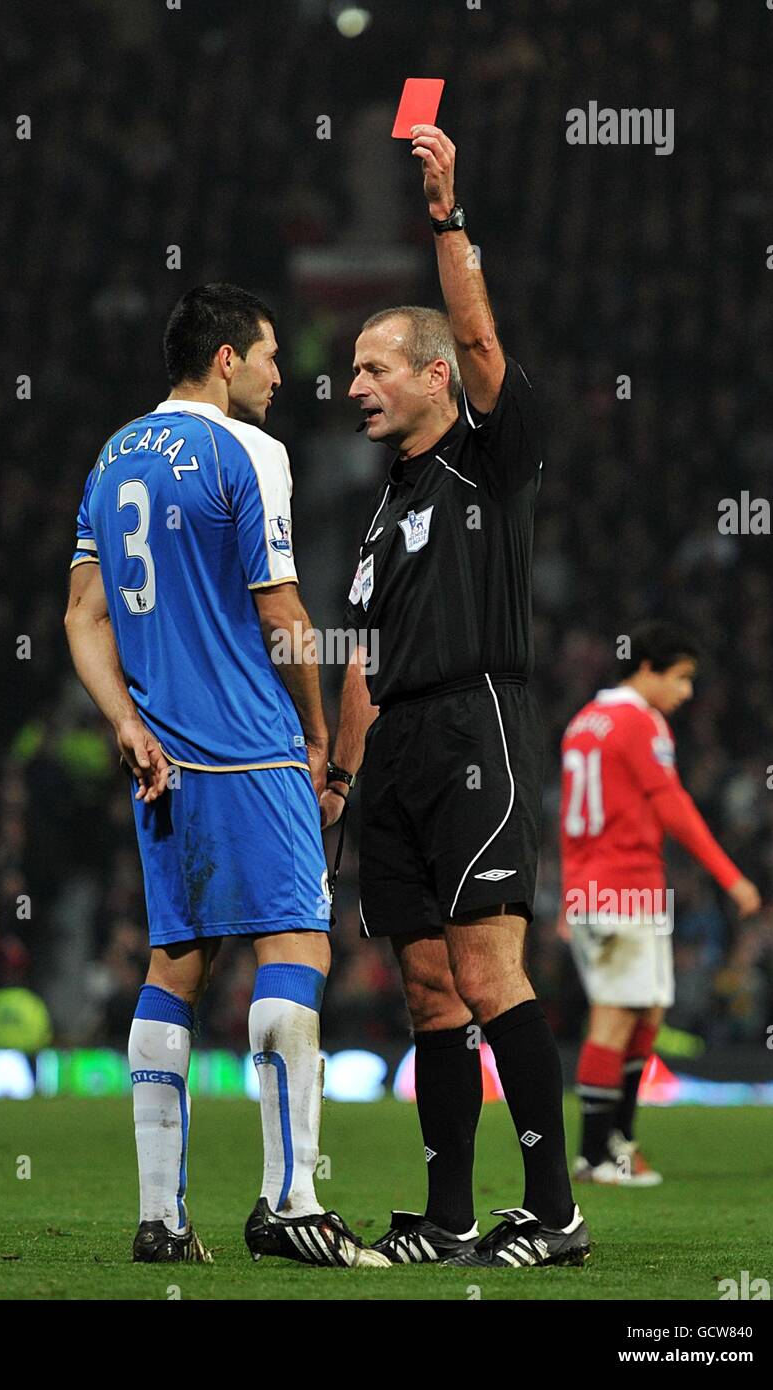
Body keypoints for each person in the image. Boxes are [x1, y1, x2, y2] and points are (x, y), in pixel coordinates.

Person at [65, 282, 387, 1268]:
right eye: (269, 353)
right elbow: (283, 611)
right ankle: (291, 1200)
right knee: (298, 942)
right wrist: (318, 738)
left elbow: (82, 618)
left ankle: (161, 1219)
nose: (282, 373)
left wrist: (123, 720)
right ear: (222, 360)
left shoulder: (113, 454)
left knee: (178, 966)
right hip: (248, 741)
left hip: (157, 752)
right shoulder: (247, 450)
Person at [323, 128, 589, 1269]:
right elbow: (352, 657)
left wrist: (444, 214)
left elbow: (476, 327)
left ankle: (554, 1211)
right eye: (350, 369)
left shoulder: (488, 454)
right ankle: (446, 1216)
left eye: (376, 365)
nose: (354, 384)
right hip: (394, 747)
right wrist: (339, 776)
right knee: (428, 989)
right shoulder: (383, 514)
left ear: (436, 375)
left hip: (474, 717)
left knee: (487, 969)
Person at [559, 620, 761, 1184]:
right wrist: (730, 877)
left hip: (602, 888)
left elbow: (572, 819)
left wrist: (570, 894)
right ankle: (597, 1153)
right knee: (616, 1016)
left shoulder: (584, 722)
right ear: (647, 669)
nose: (686, 692)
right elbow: (672, 806)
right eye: (680, 678)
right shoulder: (638, 722)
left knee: (645, 1012)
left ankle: (618, 1142)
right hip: (624, 887)